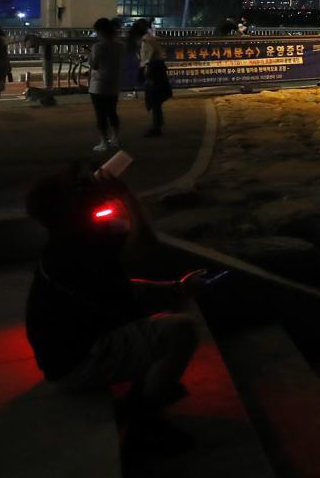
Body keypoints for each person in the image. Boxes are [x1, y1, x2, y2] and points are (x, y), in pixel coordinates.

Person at [24, 166, 203, 454]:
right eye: (79, 190)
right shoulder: (79, 249)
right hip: (75, 365)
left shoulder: (70, 240)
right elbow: (143, 245)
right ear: (70, 208)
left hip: (66, 355)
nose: (90, 190)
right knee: (181, 331)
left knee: (161, 308)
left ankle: (144, 392)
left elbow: (124, 285)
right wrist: (124, 197)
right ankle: (146, 424)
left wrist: (176, 287)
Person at [129, 19, 172, 137]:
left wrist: (146, 71)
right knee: (155, 99)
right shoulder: (149, 38)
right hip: (157, 68)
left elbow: (148, 58)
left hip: (153, 70)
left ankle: (156, 126)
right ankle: (157, 124)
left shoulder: (145, 40)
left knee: (154, 99)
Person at [89, 17, 123, 152]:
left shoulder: (98, 46)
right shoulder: (120, 45)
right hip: (114, 83)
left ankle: (104, 142)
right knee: (112, 112)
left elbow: (95, 65)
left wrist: (89, 56)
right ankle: (115, 139)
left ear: (100, 31)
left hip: (99, 84)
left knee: (101, 114)